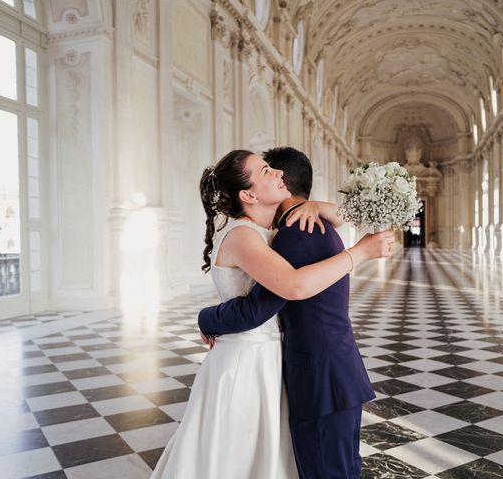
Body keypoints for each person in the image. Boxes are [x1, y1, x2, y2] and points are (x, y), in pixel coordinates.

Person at [151, 149, 394, 478]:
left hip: (274, 359)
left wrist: (314, 206)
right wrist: (360, 252)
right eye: (266, 171)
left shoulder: (279, 231)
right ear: (248, 194)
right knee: (236, 458)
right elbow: (289, 288)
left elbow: (339, 217)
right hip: (246, 359)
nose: (278, 174)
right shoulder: (243, 235)